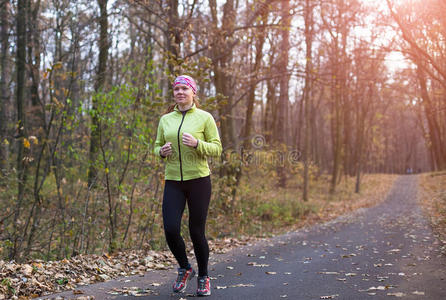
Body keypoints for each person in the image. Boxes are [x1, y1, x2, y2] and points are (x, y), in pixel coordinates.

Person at [154, 75, 222, 296]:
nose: (180, 92)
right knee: (171, 229)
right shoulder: (165, 120)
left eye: (185, 88)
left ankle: (203, 276)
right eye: (176, 89)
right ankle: (184, 268)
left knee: (196, 231)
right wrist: (161, 152)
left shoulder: (204, 118)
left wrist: (197, 144)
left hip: (199, 181)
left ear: (193, 92)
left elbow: (217, 149)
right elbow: (155, 146)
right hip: (173, 181)